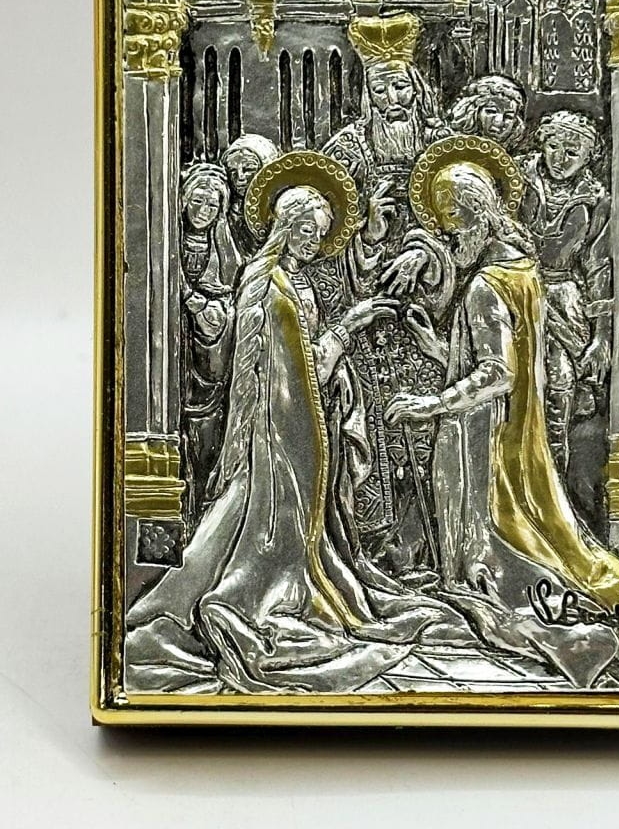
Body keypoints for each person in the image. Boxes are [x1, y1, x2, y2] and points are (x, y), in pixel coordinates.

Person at [126, 152, 477, 694]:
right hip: (280, 427)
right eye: (306, 230)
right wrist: (350, 326)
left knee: (303, 520)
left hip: (305, 420)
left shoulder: (292, 278)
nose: (314, 241)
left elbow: (305, 361)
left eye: (320, 233)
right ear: (284, 227)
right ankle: (255, 597)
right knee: (272, 517)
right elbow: (285, 367)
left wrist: (338, 358)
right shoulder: (266, 282)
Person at [384, 139, 619, 685]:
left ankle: (585, 634)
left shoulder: (485, 286)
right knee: (553, 538)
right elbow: (508, 357)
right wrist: (438, 349)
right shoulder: (524, 271)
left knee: (503, 560)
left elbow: (496, 374)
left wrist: (428, 405)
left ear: (474, 214)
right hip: (517, 432)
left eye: (451, 218)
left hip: (483, 440)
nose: (446, 232)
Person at [312, 13, 455, 577]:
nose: (392, 99)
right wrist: (368, 237)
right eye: (380, 89)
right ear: (366, 94)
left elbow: (466, 231)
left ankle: (436, 547)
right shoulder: (347, 151)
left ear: (416, 86)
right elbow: (322, 242)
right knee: (373, 429)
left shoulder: (441, 146)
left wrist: (424, 253)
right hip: (367, 318)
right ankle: (378, 552)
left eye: (400, 87)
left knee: (429, 427)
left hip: (428, 317)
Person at [518, 110, 612, 477]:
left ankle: (552, 483)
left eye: (572, 152)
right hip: (514, 286)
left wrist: (602, 336)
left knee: (559, 384)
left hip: (562, 299)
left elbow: (598, 266)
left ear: (589, 156)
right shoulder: (519, 175)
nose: (560, 158)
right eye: (554, 147)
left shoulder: (596, 198)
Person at [179, 163, 240, 522]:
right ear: (184, 200)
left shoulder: (222, 247)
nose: (203, 210)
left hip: (214, 348)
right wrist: (192, 301)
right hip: (183, 347)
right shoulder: (173, 243)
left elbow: (228, 285)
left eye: (212, 205)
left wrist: (213, 309)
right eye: (197, 201)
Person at [220, 134, 280, 259]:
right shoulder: (226, 212)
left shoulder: (279, 210)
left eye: (248, 169)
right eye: (232, 171)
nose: (240, 177)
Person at [448, 74, 527, 153]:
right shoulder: (450, 148)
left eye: (508, 117)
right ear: (473, 111)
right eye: (491, 111)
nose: (498, 122)